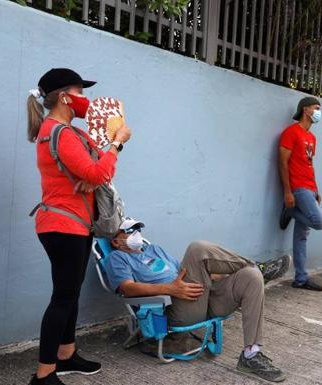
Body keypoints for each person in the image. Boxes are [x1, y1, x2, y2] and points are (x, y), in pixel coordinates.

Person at [27, 68, 132, 385]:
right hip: (63, 226)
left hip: (74, 224)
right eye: (80, 91)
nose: (86, 99)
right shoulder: (58, 132)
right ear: (64, 97)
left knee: (69, 295)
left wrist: (110, 151)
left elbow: (96, 165)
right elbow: (99, 171)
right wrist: (115, 146)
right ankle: (44, 374)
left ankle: (66, 354)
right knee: (63, 297)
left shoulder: (71, 132)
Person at [105, 219, 289, 383]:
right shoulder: (118, 258)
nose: (136, 234)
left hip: (201, 298)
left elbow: (187, 271)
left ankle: (251, 354)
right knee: (196, 248)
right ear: (115, 241)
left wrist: (223, 276)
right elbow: (126, 288)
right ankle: (258, 265)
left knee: (251, 276)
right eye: (129, 231)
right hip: (176, 307)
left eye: (138, 229)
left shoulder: (155, 249)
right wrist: (169, 289)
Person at [278, 97, 322, 291]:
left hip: (309, 188)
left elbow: (309, 164)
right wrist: (287, 192)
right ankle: (289, 211)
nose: (319, 112)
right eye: (316, 108)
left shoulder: (312, 138)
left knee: (301, 237)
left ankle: (300, 278)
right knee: (319, 222)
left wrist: (316, 189)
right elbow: (282, 163)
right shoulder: (291, 132)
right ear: (306, 110)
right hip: (297, 187)